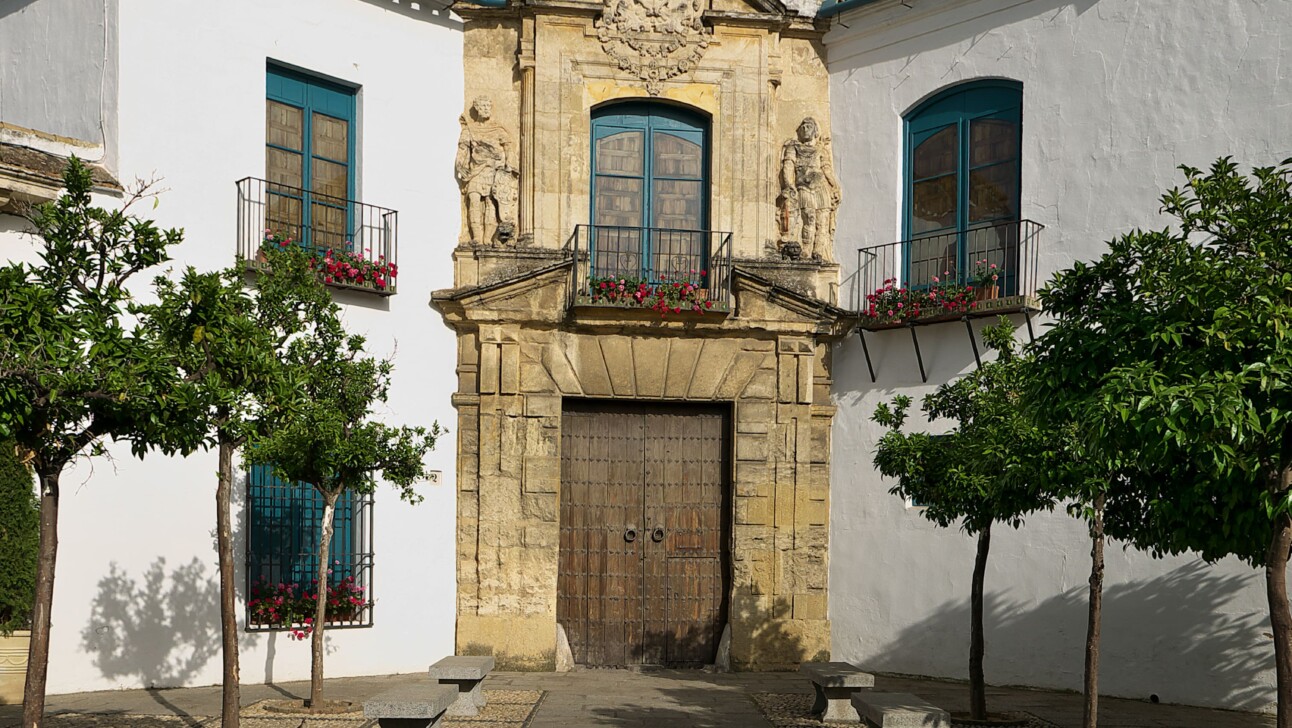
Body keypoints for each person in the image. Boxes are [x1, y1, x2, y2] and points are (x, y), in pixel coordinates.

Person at [455, 97, 518, 245]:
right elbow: (463, 149)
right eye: (482, 106)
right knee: (474, 200)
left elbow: (508, 147)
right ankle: (476, 236)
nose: (485, 109)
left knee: (491, 202)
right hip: (475, 170)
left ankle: (487, 238)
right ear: (476, 108)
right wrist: (459, 164)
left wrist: (508, 163)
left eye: (488, 106)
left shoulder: (497, 129)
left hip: (493, 169)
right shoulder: (469, 130)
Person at [780, 117, 841, 261]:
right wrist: (789, 184)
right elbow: (788, 166)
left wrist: (834, 186)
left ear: (815, 131)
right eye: (803, 126)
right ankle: (806, 251)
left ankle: (818, 252)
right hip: (804, 186)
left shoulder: (820, 150)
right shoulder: (793, 147)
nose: (805, 129)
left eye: (809, 126)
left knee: (823, 221)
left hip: (821, 187)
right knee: (809, 219)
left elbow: (826, 169)